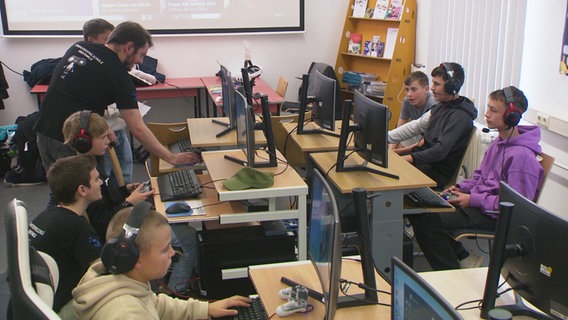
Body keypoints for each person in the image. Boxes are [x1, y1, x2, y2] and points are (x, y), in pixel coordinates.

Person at [33, 21, 200, 171]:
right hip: (72, 141)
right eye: (141, 55)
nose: (141, 62)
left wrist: (104, 127)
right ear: (128, 47)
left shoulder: (80, 47)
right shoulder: (120, 78)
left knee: (60, 194)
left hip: (43, 131)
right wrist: (171, 157)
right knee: (83, 197)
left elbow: (81, 91)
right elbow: (138, 128)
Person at [62, 110, 198, 295]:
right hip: (118, 233)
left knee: (177, 225)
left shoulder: (92, 164)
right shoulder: (86, 175)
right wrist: (128, 202)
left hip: (121, 220)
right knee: (189, 238)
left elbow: (106, 197)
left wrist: (125, 190)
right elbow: (103, 223)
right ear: (84, 143)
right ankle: (174, 292)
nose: (108, 141)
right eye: (103, 137)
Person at [409, 86, 544, 270]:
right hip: (481, 204)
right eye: (487, 108)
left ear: (512, 116)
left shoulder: (522, 157)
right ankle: (463, 257)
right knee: (421, 211)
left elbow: (515, 206)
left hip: (496, 216)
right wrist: (461, 188)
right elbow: (481, 176)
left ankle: (452, 275)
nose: (486, 114)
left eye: (493, 110)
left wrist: (473, 200)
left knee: (428, 222)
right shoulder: (500, 142)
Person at [73, 206, 251, 319]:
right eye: (165, 249)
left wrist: (206, 309)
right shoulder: (126, 314)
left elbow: (157, 304)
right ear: (135, 258)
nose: (173, 253)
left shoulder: (122, 279)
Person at [28, 155, 103, 314]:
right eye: (96, 180)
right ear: (82, 190)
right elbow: (104, 267)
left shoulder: (46, 215)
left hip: (33, 306)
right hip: (55, 309)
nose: (101, 182)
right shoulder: (77, 226)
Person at [393, 62, 477, 189]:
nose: (432, 88)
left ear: (451, 87)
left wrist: (405, 159)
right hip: (422, 164)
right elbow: (422, 144)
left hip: (433, 174)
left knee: (386, 176)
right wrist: (394, 153)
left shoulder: (460, 117)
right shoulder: (439, 108)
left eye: (437, 84)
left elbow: (438, 152)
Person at [82, 18, 134, 184]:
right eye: (107, 40)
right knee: (105, 173)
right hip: (102, 130)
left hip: (118, 127)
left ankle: (125, 198)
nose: (111, 45)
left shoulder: (113, 64)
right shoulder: (92, 67)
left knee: (125, 168)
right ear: (91, 40)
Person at [391, 70, 436, 148]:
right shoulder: (407, 101)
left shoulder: (433, 105)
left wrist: (396, 151)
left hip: (429, 139)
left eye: (414, 89)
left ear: (426, 89)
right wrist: (390, 151)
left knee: (400, 148)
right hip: (415, 134)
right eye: (407, 89)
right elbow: (399, 128)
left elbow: (428, 139)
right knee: (391, 146)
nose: (409, 94)